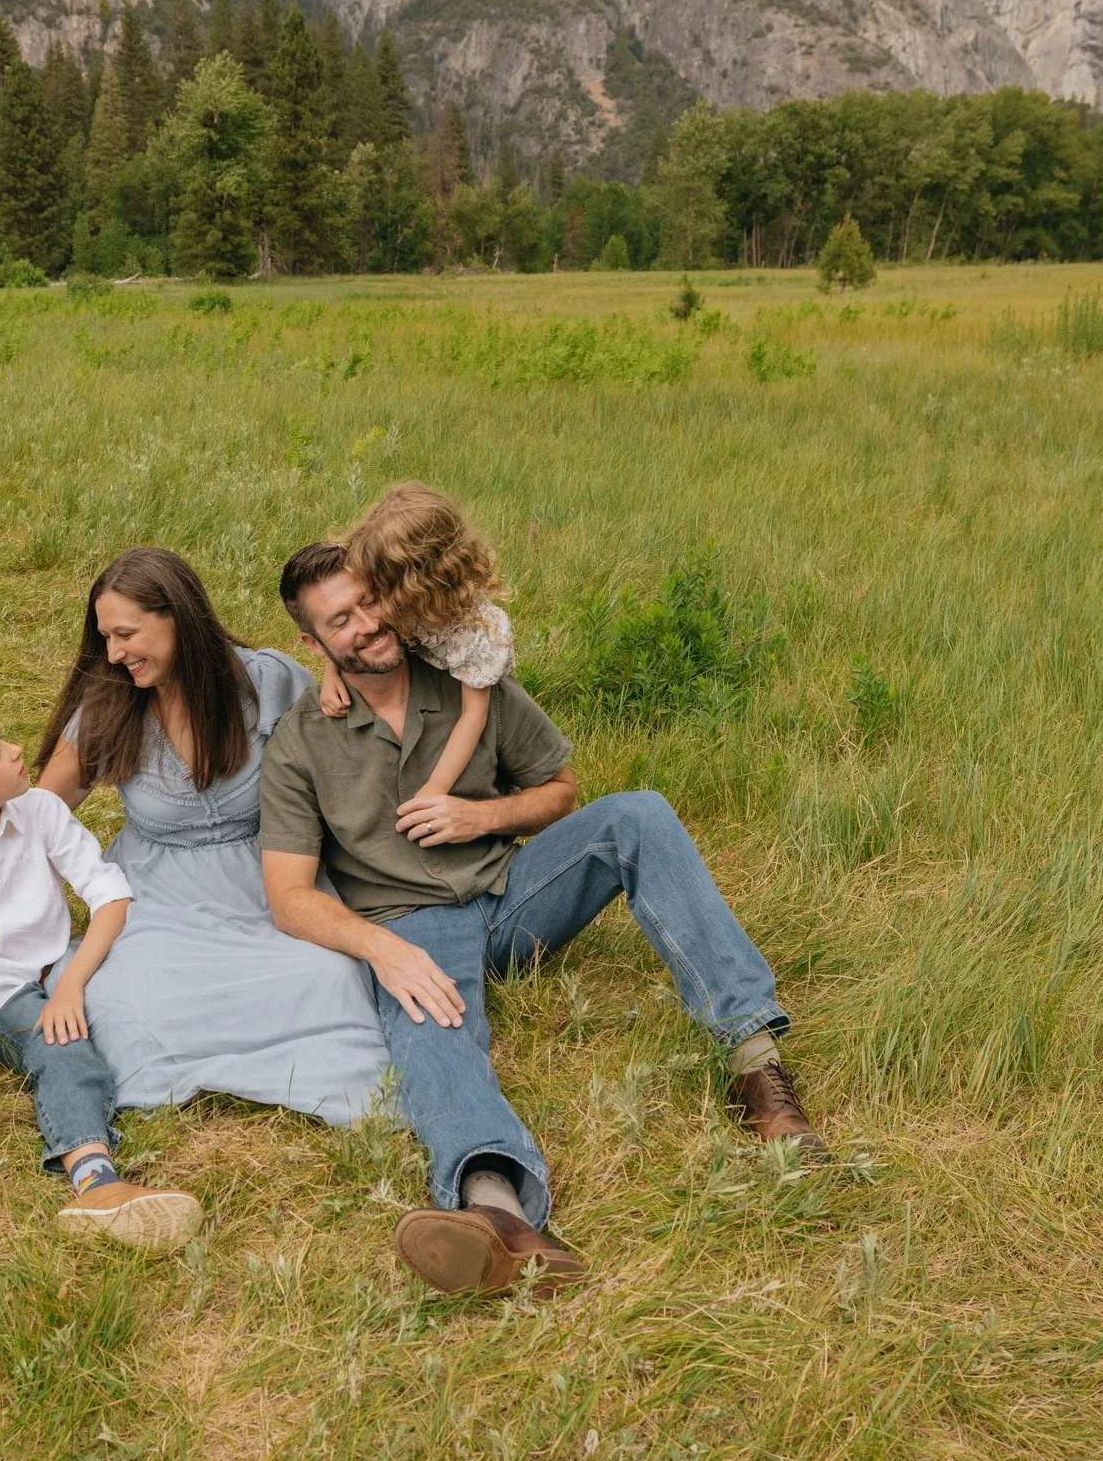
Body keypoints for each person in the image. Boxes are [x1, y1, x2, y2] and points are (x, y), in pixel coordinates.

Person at [259, 540, 827, 1298]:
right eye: (340, 619)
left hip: (510, 888)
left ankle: (756, 1065)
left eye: (370, 602)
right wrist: (380, 950)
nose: (364, 624)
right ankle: (498, 1217)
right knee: (435, 1036)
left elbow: (560, 790)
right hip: (411, 926)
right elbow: (289, 895)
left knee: (638, 816)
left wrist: (478, 816)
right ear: (314, 643)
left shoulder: (466, 676)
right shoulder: (301, 741)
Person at [36, 547, 390, 1124]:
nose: (114, 653)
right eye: (105, 637)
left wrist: (334, 665)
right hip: (156, 900)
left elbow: (358, 732)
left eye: (126, 633)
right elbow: (40, 819)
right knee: (121, 1003)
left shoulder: (267, 681)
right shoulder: (109, 705)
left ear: (178, 617)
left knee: (331, 975)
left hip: (268, 882)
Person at [0, 704, 203, 1261]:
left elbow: (111, 897)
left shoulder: (42, 812)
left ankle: (96, 1183)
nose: (18, 751)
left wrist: (69, 985)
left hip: (17, 997)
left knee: (65, 1041)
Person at [318, 484, 516, 816]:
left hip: (463, 700)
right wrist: (332, 671)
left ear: (417, 582)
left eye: (383, 584)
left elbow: (473, 717)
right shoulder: (398, 596)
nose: (375, 605)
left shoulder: (476, 636)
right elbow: (358, 640)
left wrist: (435, 788)